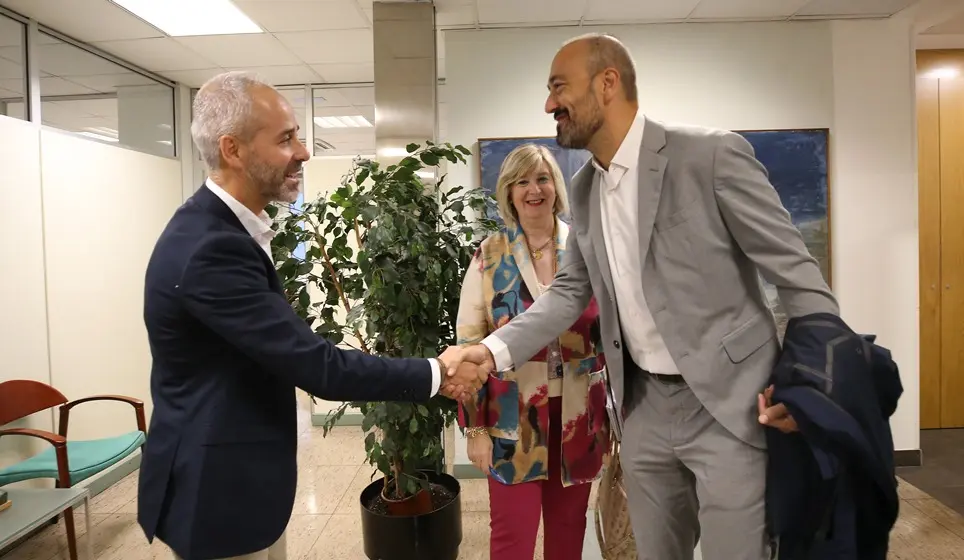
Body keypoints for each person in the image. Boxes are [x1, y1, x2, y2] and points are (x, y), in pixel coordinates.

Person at [454, 34, 839, 560]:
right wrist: (491, 351)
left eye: (558, 87)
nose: (549, 105)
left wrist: (809, 380)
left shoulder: (710, 155)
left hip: (730, 406)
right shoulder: (587, 188)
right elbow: (569, 293)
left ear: (607, 83)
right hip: (644, 410)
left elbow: (798, 275)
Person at [137, 71, 486, 560]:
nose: (303, 151)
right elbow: (316, 366)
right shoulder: (210, 247)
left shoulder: (220, 230)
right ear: (232, 149)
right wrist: (438, 370)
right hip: (217, 497)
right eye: (285, 139)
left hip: (237, 484)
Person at [456, 144, 608, 560]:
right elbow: (470, 347)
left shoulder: (586, 248)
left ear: (556, 187)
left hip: (579, 420)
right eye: (521, 181)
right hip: (510, 420)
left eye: (541, 178)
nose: (533, 189)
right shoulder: (489, 255)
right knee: (511, 540)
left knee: (568, 536)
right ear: (508, 192)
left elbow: (611, 337)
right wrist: (474, 429)